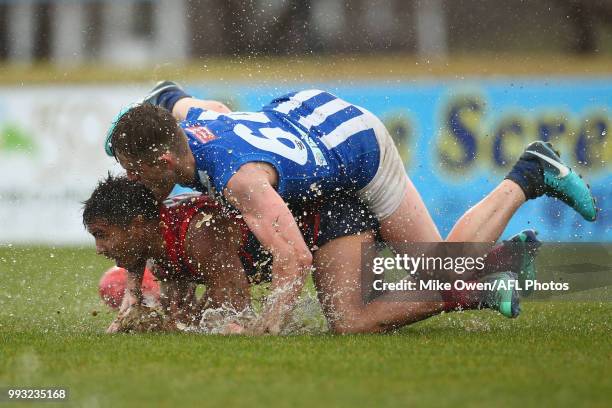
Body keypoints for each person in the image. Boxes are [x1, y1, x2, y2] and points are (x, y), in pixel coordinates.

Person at [105, 83, 592, 333]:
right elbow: (180, 97)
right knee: (392, 296)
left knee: (445, 263)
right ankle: (483, 277)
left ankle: (528, 175)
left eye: (134, 169)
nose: (132, 181)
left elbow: (293, 259)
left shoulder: (242, 180)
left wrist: (267, 325)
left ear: (165, 158)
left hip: (357, 148)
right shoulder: (188, 124)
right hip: (303, 113)